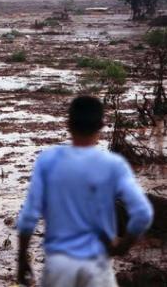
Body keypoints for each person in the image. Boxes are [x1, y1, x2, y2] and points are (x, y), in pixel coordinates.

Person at [16, 96, 154, 287]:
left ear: (68, 124)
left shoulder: (47, 161)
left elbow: (28, 217)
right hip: (97, 266)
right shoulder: (113, 165)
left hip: (58, 265)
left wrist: (22, 259)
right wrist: (121, 247)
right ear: (101, 125)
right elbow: (142, 214)